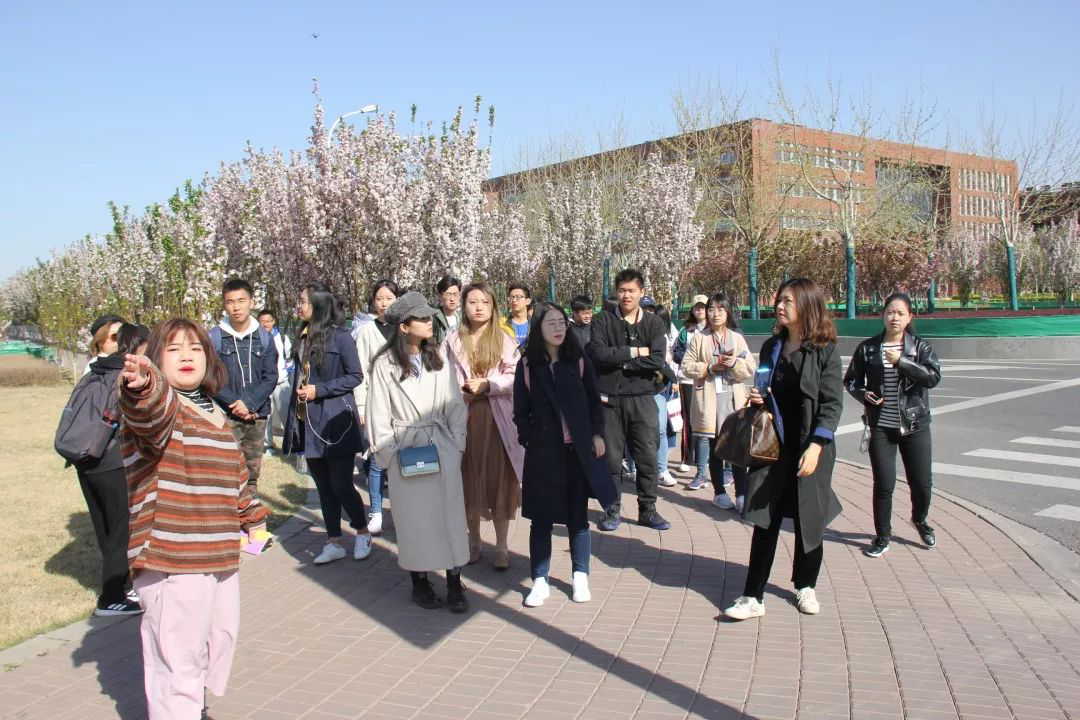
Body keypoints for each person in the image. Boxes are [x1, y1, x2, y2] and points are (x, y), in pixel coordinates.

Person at [118, 318, 268, 719]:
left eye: (195, 348)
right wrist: (143, 385)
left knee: (215, 642)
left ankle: (192, 708)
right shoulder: (163, 407)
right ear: (155, 358)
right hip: (174, 556)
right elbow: (149, 410)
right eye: (173, 348)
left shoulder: (213, 410)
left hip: (218, 552)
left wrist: (252, 519)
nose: (186, 355)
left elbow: (235, 476)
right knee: (176, 658)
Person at [724, 278, 843, 620]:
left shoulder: (825, 351)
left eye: (787, 301)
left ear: (806, 304)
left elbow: (832, 405)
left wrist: (817, 446)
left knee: (810, 519)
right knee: (765, 519)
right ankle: (752, 596)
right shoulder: (771, 348)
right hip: (772, 447)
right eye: (779, 300)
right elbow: (764, 385)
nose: (779, 306)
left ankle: (806, 585)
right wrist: (759, 396)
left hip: (809, 448)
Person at [366, 291, 471, 613]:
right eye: (422, 318)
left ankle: (454, 581)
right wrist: (390, 453)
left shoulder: (438, 357)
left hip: (441, 445)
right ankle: (420, 582)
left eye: (429, 317)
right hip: (406, 450)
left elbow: (455, 404)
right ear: (403, 326)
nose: (429, 322)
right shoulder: (383, 364)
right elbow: (377, 413)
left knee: (450, 517)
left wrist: (457, 444)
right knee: (415, 521)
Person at [514, 302, 618, 607]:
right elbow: (520, 411)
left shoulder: (578, 360)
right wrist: (531, 439)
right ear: (538, 329)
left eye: (562, 322)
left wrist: (596, 434)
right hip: (543, 454)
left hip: (576, 452)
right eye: (551, 323)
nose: (558, 328)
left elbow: (594, 402)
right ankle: (540, 580)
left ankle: (580, 576)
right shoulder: (528, 366)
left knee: (578, 518)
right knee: (541, 519)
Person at [844, 292, 941, 557]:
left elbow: (932, 377)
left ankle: (919, 520)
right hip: (881, 428)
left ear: (909, 317)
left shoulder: (920, 348)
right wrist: (863, 394)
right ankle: (882, 536)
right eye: (890, 312)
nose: (894, 317)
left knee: (921, 483)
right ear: (883, 315)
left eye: (900, 313)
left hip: (915, 426)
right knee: (884, 485)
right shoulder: (868, 348)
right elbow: (850, 381)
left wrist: (902, 362)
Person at [283, 282, 371, 564]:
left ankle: (362, 531)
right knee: (323, 486)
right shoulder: (302, 337)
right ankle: (333, 541)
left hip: (335, 422)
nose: (299, 306)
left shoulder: (341, 337)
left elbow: (355, 376)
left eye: (303, 301)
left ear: (319, 304)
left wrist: (318, 390)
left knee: (341, 483)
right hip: (307, 421)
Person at [70, 323, 147, 617]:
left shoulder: (96, 369)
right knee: (121, 529)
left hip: (87, 457)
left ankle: (120, 585)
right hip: (113, 459)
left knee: (106, 527)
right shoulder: (126, 374)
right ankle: (111, 597)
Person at [445, 282, 525, 569]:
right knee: (468, 481)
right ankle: (474, 542)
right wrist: (459, 390)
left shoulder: (504, 339)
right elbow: (441, 377)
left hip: (497, 419)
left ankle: (502, 546)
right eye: (472, 302)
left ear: (493, 306)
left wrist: (489, 384)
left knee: (499, 482)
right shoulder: (452, 340)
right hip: (464, 418)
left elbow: (516, 377)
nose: (479, 307)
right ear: (463, 306)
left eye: (485, 302)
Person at [588, 268, 673, 532]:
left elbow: (657, 359)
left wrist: (621, 362)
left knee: (647, 455)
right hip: (610, 400)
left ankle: (648, 509)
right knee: (611, 459)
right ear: (616, 292)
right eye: (622, 290)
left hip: (643, 398)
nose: (626, 295)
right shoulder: (602, 320)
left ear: (641, 292)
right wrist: (635, 353)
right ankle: (612, 509)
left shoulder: (653, 323)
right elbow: (599, 354)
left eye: (632, 291)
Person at [680, 293, 756, 511]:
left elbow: (750, 367)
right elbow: (686, 367)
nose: (715, 314)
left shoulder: (736, 338)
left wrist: (734, 363)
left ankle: (741, 494)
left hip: (733, 399)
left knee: (737, 448)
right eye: (712, 309)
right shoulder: (699, 338)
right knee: (715, 448)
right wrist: (709, 368)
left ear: (728, 312)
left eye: (720, 309)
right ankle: (719, 493)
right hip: (710, 399)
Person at [209, 278, 279, 495]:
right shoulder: (215, 337)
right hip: (226, 414)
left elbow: (270, 376)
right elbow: (210, 376)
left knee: (251, 473)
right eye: (230, 302)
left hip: (257, 415)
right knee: (225, 469)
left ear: (251, 302)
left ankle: (251, 512)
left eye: (241, 301)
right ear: (224, 304)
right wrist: (235, 403)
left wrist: (249, 403)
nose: (236, 307)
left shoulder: (264, 338)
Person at [353, 279, 400, 535]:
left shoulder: (405, 327)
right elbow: (360, 371)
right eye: (379, 299)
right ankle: (376, 511)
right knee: (376, 457)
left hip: (402, 403)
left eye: (389, 298)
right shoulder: (367, 331)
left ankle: (403, 510)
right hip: (376, 401)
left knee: (402, 458)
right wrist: (361, 406)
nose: (384, 304)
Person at [641, 297, 678, 488]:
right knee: (639, 431)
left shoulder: (660, 333)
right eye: (645, 309)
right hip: (636, 390)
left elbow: (663, 360)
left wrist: (673, 377)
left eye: (651, 309)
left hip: (657, 389)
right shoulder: (629, 331)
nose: (648, 312)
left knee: (661, 429)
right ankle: (635, 467)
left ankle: (662, 470)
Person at [673, 296, 708, 471]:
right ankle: (687, 459)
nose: (700, 310)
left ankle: (705, 457)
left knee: (707, 418)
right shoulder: (685, 330)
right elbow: (676, 352)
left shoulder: (715, 329)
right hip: (687, 380)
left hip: (709, 381)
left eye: (703, 307)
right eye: (697, 307)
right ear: (692, 310)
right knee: (688, 419)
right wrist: (690, 362)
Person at [257, 309, 292, 455]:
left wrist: (285, 372)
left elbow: (290, 358)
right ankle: (268, 446)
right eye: (262, 321)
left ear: (273, 322)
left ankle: (292, 445)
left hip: (281, 384)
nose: (265, 324)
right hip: (263, 386)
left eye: (268, 321)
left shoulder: (283, 339)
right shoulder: (255, 338)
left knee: (287, 415)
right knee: (266, 417)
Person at [433, 275, 463, 345]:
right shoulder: (433, 318)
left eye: (455, 294)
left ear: (459, 296)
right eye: (448, 294)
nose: (452, 299)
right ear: (440, 296)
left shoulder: (464, 319)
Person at [507, 284, 532, 348]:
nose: (514, 300)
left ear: (528, 301)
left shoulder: (536, 324)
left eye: (518, 297)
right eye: (511, 298)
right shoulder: (501, 324)